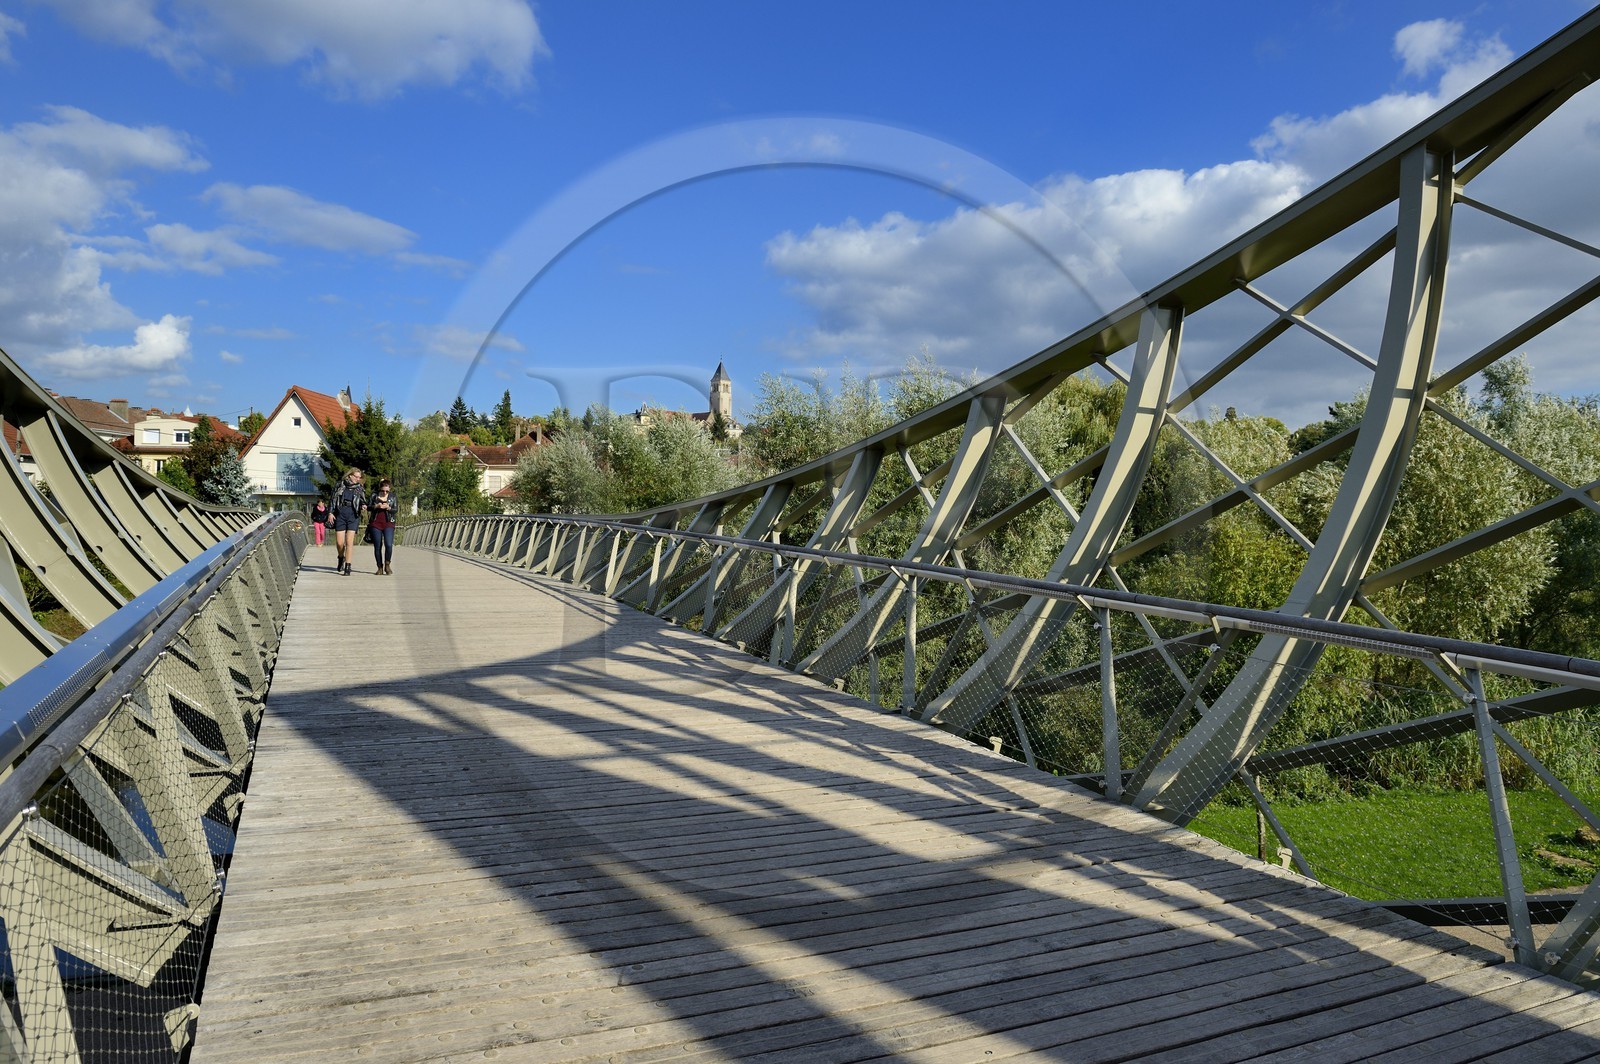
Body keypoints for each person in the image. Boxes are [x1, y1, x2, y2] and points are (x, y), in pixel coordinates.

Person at [330, 468, 367, 576]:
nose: (358, 479)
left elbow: (363, 500)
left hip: (353, 515)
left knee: (349, 542)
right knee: (339, 543)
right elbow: (332, 499)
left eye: (359, 477)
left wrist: (363, 505)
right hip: (340, 514)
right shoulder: (340, 485)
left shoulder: (359, 488)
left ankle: (348, 566)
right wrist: (330, 512)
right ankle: (341, 557)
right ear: (350, 475)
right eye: (356, 476)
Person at [368, 478, 398, 575]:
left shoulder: (393, 496)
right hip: (375, 523)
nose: (384, 492)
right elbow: (368, 507)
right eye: (382, 490)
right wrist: (376, 506)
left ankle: (387, 564)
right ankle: (379, 567)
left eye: (387, 491)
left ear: (389, 489)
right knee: (377, 546)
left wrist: (388, 508)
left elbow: (395, 509)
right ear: (380, 489)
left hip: (388, 523)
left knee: (388, 544)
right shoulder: (374, 495)